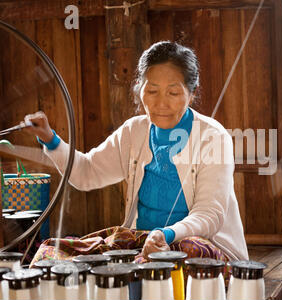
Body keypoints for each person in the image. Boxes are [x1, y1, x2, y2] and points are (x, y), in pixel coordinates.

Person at [24, 41, 249, 267]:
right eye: (152, 90)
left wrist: (165, 235)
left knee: (181, 253)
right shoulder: (134, 131)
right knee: (52, 253)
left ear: (192, 94)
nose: (161, 103)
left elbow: (209, 214)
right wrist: (50, 139)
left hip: (200, 247)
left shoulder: (213, 136)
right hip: (143, 242)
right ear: (140, 88)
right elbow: (87, 173)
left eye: (173, 92)